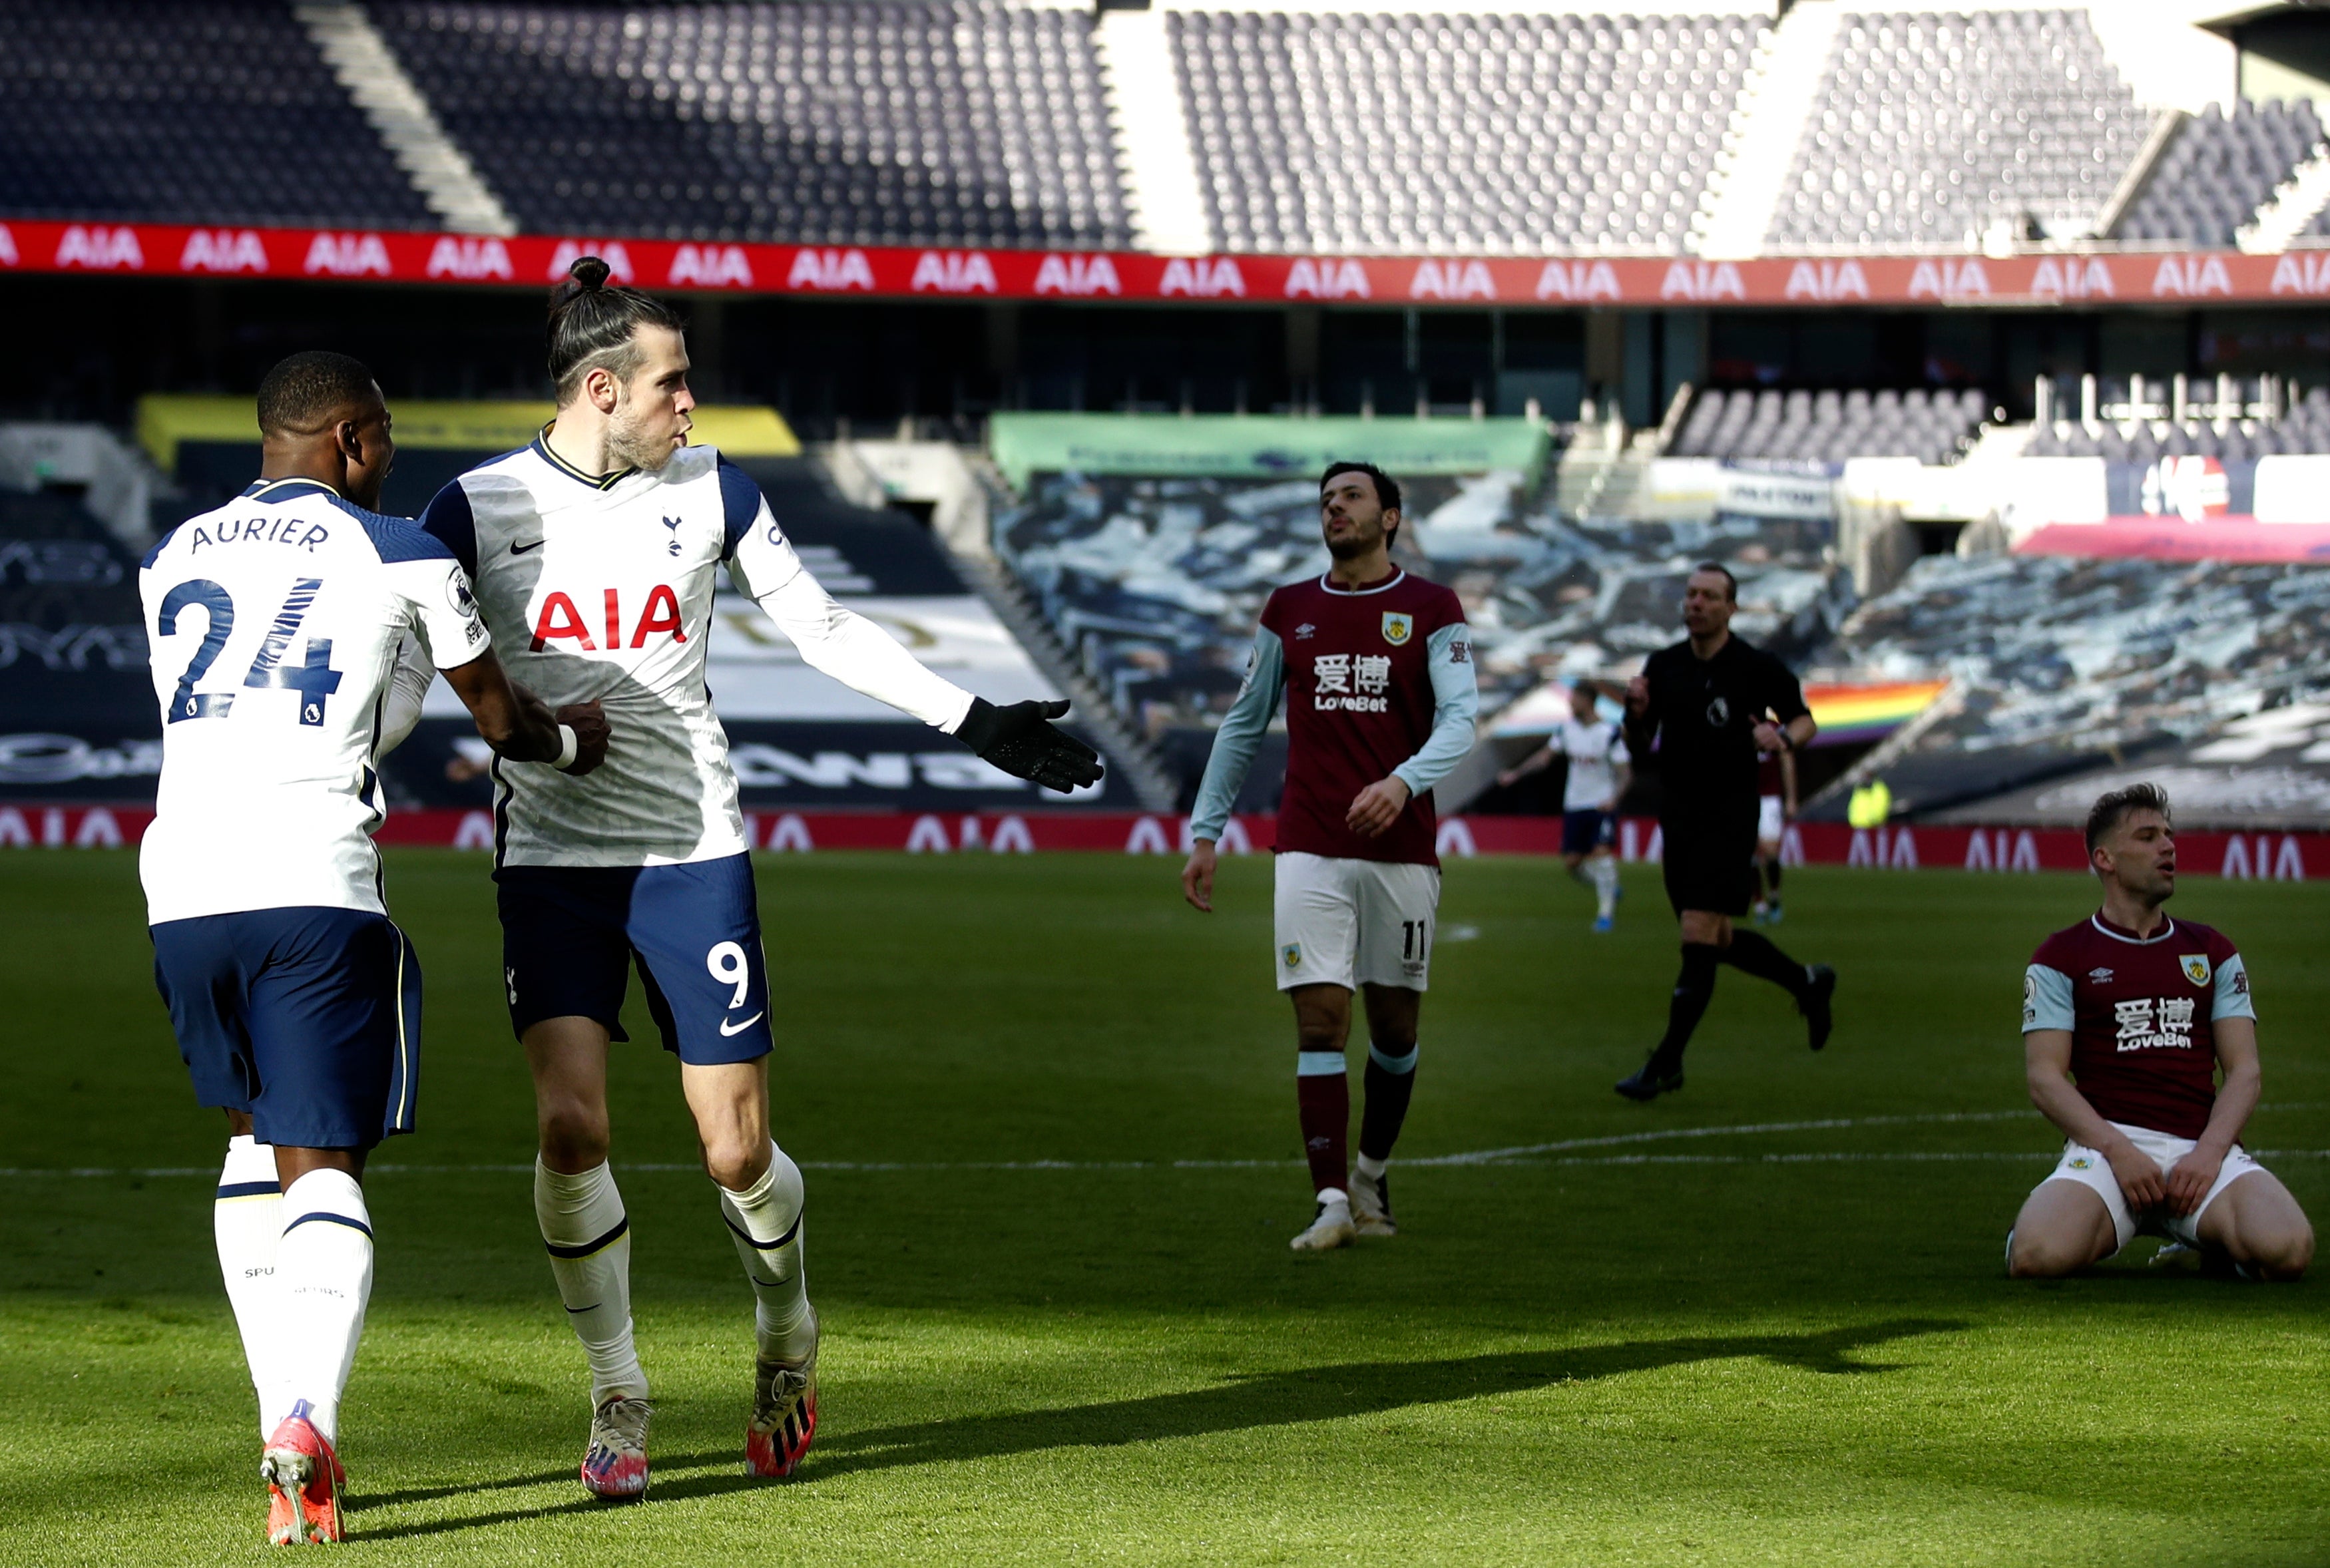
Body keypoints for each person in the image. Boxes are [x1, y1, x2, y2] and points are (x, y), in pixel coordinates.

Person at [419, 258, 1100, 1497]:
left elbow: (825, 629)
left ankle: (787, 1334)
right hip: (554, 860)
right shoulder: (473, 508)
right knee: (571, 1127)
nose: (694, 405)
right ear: (602, 388)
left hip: (694, 854)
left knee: (735, 1151)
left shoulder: (712, 490)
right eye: (674, 384)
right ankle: (618, 1390)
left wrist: (977, 722)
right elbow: (398, 655)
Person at [142, 352, 602, 1543]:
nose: (391, 460)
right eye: (384, 438)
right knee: (325, 1166)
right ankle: (308, 1412)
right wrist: (569, 747)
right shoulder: (395, 546)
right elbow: (496, 718)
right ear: (351, 439)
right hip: (313, 883)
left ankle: (274, 1429)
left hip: (182, 886)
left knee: (248, 1140)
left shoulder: (173, 554)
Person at [1180, 461, 1477, 1251]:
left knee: (1393, 1026)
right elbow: (1243, 725)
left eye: (1349, 497)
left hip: (1401, 850)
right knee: (1320, 1020)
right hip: (1307, 843)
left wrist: (1402, 782)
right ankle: (1331, 1201)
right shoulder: (1290, 609)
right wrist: (1205, 833)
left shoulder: (1431, 608)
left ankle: (1371, 1174)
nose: (1332, 508)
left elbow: (1459, 720)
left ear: (1389, 517)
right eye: (1325, 499)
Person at [2006, 783, 2312, 1280]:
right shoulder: (2061, 957)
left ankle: (2199, 1242)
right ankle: (2047, 1220)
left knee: (2287, 1250)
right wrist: (2117, 1151)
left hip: (2199, 1150)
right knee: (2039, 1257)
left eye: (2168, 835)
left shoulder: (2212, 950)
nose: (2167, 847)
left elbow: (2244, 1071)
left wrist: (2211, 1153)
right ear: (2104, 858)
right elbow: (2046, 1078)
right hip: (2108, 1148)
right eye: (2147, 837)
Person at [1616, 563, 1835, 1100]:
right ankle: (1806, 982)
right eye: (1691, 595)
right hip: (1679, 818)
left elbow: (1806, 721)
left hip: (1730, 817)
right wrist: (1634, 713)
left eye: (1710, 597)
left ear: (1731, 608)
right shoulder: (1663, 666)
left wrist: (1780, 736)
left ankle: (1666, 1062)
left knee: (1697, 932)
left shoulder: (1755, 666)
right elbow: (1641, 748)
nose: (1696, 604)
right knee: (1712, 939)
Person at [1495, 680, 1630, 930]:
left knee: (1601, 853)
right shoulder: (1567, 730)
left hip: (1601, 803)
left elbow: (1625, 773)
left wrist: (1615, 799)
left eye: (1575, 699)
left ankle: (1605, 914)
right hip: (1575, 804)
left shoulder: (1609, 733)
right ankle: (1609, 888)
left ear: (1588, 701)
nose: (1570, 703)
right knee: (1572, 863)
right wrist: (1516, 773)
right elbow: (1545, 757)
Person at [1749, 737, 1794, 924]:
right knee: (1748, 854)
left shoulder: (1773, 730)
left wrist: (1791, 798)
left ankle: (1774, 895)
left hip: (1770, 798)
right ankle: (1759, 904)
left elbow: (1787, 761)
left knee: (1770, 853)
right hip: (1744, 797)